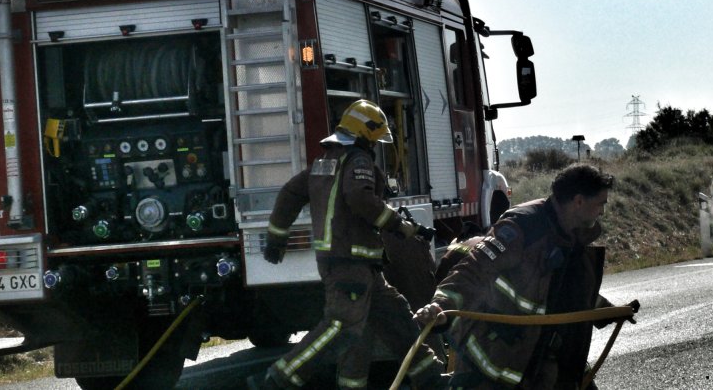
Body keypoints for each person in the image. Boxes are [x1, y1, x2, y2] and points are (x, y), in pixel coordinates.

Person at [249, 99, 446, 390]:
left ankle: (429, 376)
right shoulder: (358, 160)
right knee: (339, 328)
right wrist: (397, 224)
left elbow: (290, 192)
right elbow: (360, 198)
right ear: (364, 134)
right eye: (375, 137)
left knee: (396, 320)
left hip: (361, 268)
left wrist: (277, 237)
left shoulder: (325, 162)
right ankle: (277, 380)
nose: (376, 144)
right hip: (349, 265)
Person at [414, 164, 636, 389]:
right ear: (579, 201)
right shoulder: (523, 228)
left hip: (547, 354)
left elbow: (570, 290)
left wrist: (610, 312)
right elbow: (472, 272)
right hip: (502, 357)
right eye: (601, 204)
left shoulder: (573, 235)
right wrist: (440, 306)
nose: (603, 212)